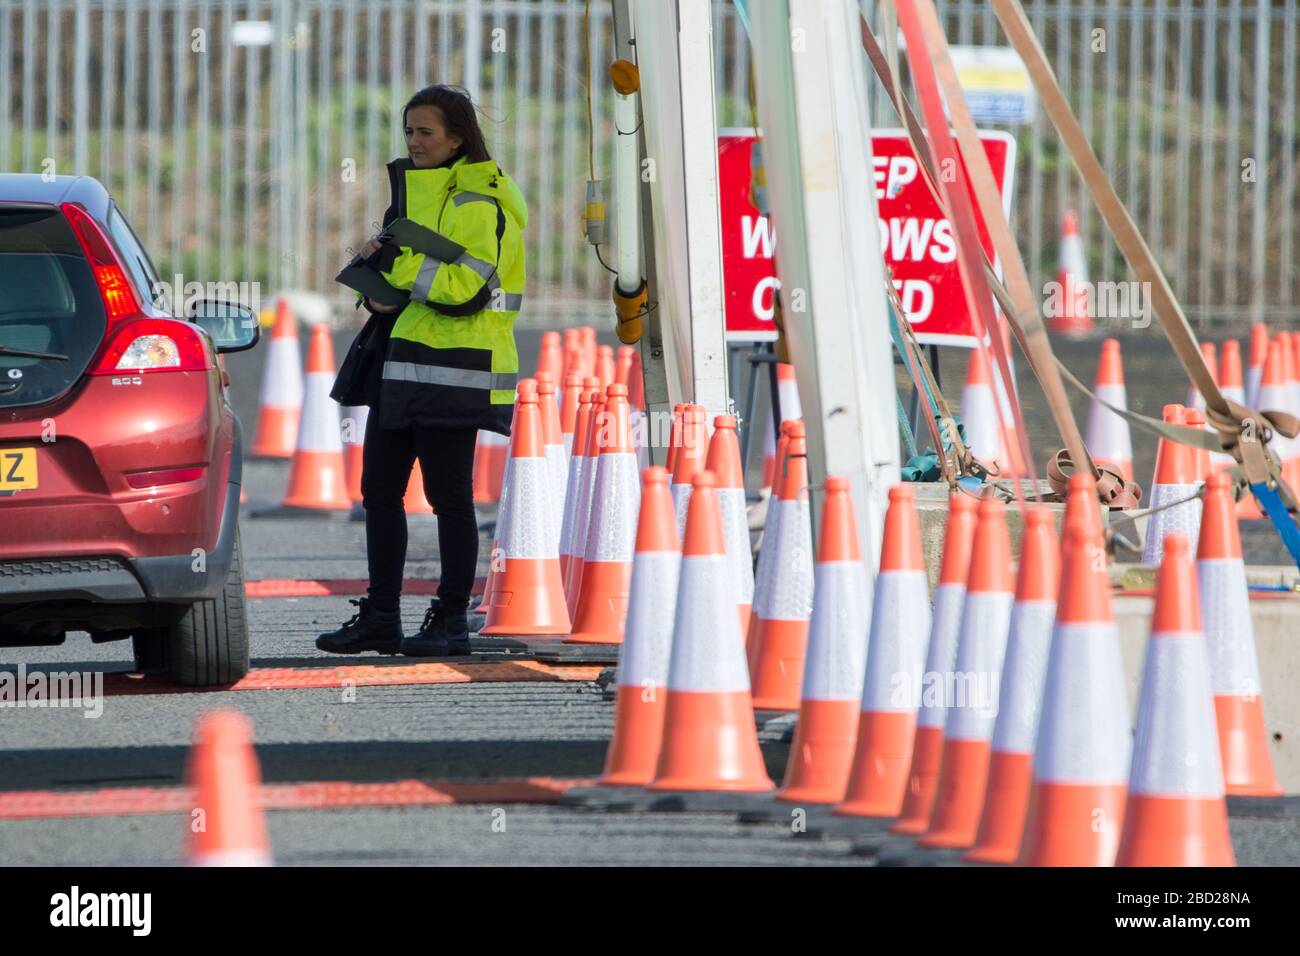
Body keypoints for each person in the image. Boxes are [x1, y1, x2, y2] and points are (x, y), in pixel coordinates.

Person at [317, 85, 527, 657]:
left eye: (425, 132)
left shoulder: (478, 202)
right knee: (379, 493)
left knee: (449, 499)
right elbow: (407, 266)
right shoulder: (415, 195)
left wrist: (401, 280)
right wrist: (373, 272)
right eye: (409, 131)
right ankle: (382, 616)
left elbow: (468, 287)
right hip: (402, 359)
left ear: (458, 137)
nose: (413, 142)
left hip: (452, 366)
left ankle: (451, 622)